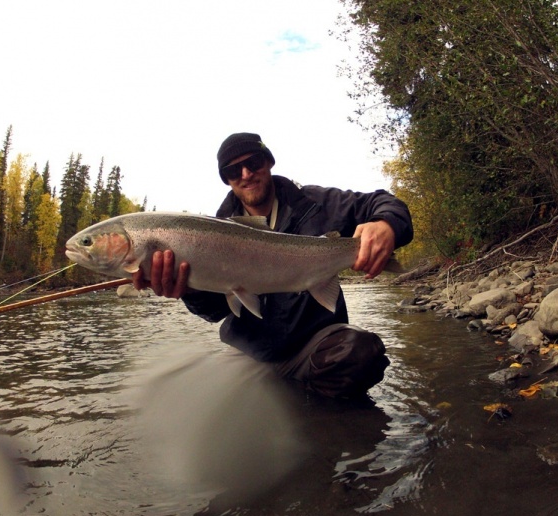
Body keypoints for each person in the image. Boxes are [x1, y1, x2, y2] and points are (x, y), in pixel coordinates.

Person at [133, 132, 413, 398]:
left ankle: (321, 420)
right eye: (233, 171)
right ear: (227, 180)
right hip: (250, 355)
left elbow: (384, 202)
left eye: (253, 163)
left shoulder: (316, 204)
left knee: (361, 353)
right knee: (204, 400)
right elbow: (216, 311)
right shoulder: (210, 233)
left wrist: (385, 224)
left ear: (268, 162)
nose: (245, 174)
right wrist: (187, 290)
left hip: (316, 347)